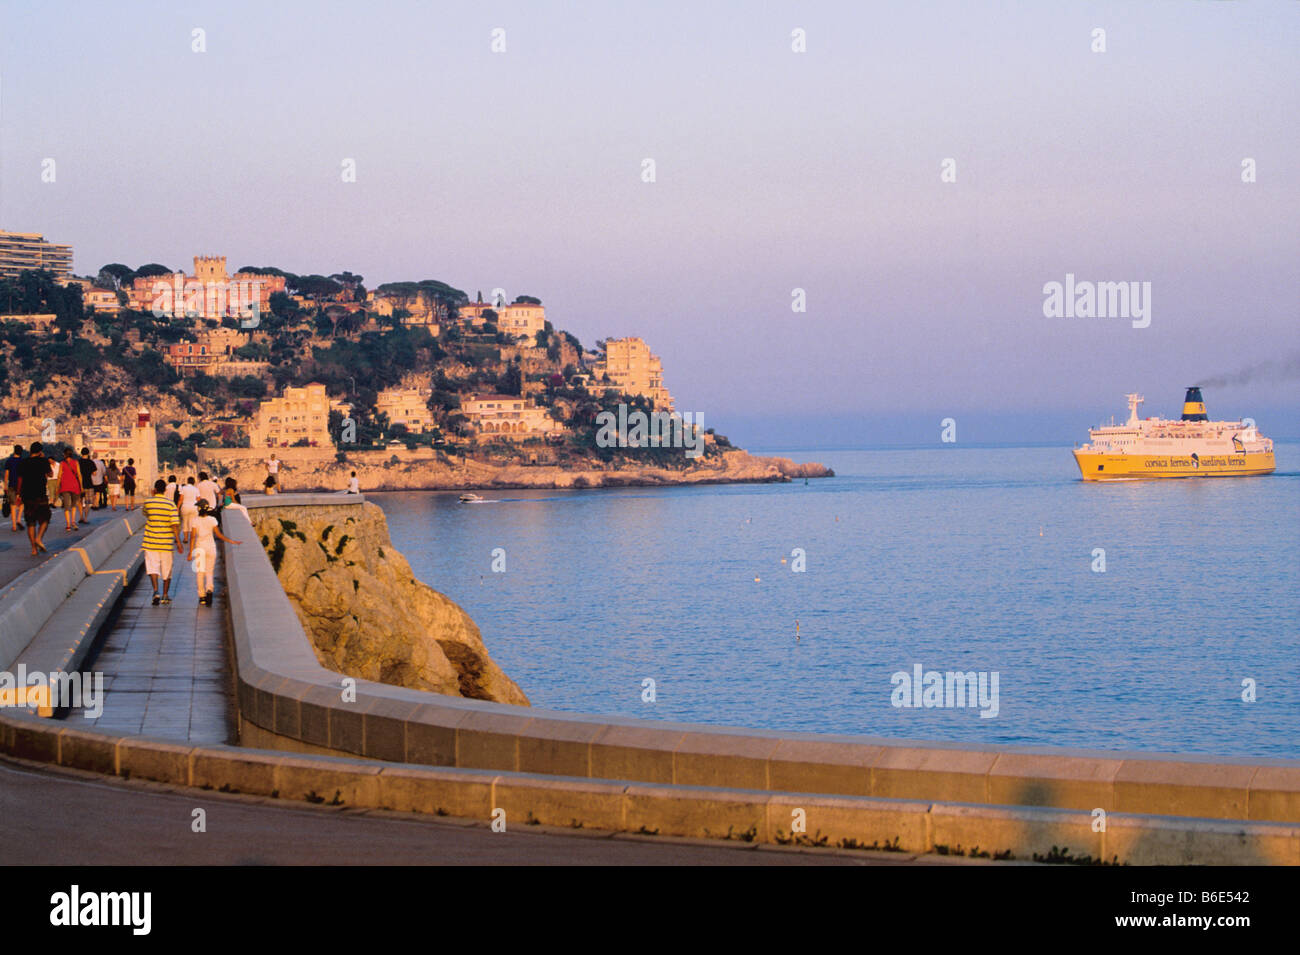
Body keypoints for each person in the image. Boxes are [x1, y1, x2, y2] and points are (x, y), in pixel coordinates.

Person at [188, 499, 241, 606]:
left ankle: (202, 596)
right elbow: (219, 535)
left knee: (200, 572)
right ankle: (209, 590)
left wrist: (190, 552)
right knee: (209, 571)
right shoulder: (212, 520)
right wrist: (232, 541)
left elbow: (193, 537)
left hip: (199, 548)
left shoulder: (195, 520)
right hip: (210, 547)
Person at [142, 478, 182, 605]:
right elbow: (174, 525)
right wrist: (179, 542)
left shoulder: (148, 502)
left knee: (152, 568)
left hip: (150, 541)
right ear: (165, 490)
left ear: (154, 489)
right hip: (166, 542)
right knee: (167, 569)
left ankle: (155, 591)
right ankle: (165, 595)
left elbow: (146, 514)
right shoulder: (171, 505)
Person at [15, 442, 52, 556]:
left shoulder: (23, 462)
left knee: (30, 522)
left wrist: (18, 494)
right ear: (40, 451)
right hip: (40, 494)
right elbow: (50, 474)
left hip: (27, 495)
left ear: (30, 451)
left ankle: (33, 549)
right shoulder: (43, 461)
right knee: (45, 518)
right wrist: (44, 460)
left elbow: (20, 479)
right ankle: (39, 538)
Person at [58, 448, 83, 532]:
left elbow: (59, 476)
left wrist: (58, 486)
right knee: (73, 505)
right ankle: (73, 522)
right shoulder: (76, 462)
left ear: (65, 454)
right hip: (75, 486)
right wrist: (81, 487)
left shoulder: (62, 463)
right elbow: (79, 475)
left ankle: (68, 525)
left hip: (65, 486)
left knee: (66, 506)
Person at [3, 445, 24, 532]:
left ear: (14, 451)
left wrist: (5, 486)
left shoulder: (9, 461)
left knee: (13, 505)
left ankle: (14, 525)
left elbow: (6, 474)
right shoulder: (23, 461)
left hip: (11, 484)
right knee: (22, 503)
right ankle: (19, 519)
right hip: (21, 485)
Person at [78, 448, 95, 522]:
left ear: (81, 453)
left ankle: (81, 516)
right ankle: (85, 518)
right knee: (88, 502)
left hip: (79, 484)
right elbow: (94, 473)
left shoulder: (78, 462)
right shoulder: (91, 462)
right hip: (89, 484)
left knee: (80, 501)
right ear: (88, 454)